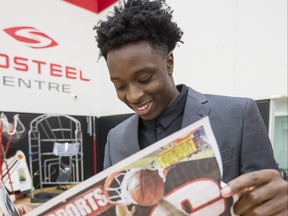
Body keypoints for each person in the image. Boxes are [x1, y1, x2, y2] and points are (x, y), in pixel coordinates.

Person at [94, 0, 287, 215]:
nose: (133, 95)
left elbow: (270, 200)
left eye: (145, 78)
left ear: (169, 63)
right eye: (120, 86)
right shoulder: (115, 139)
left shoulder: (238, 115)